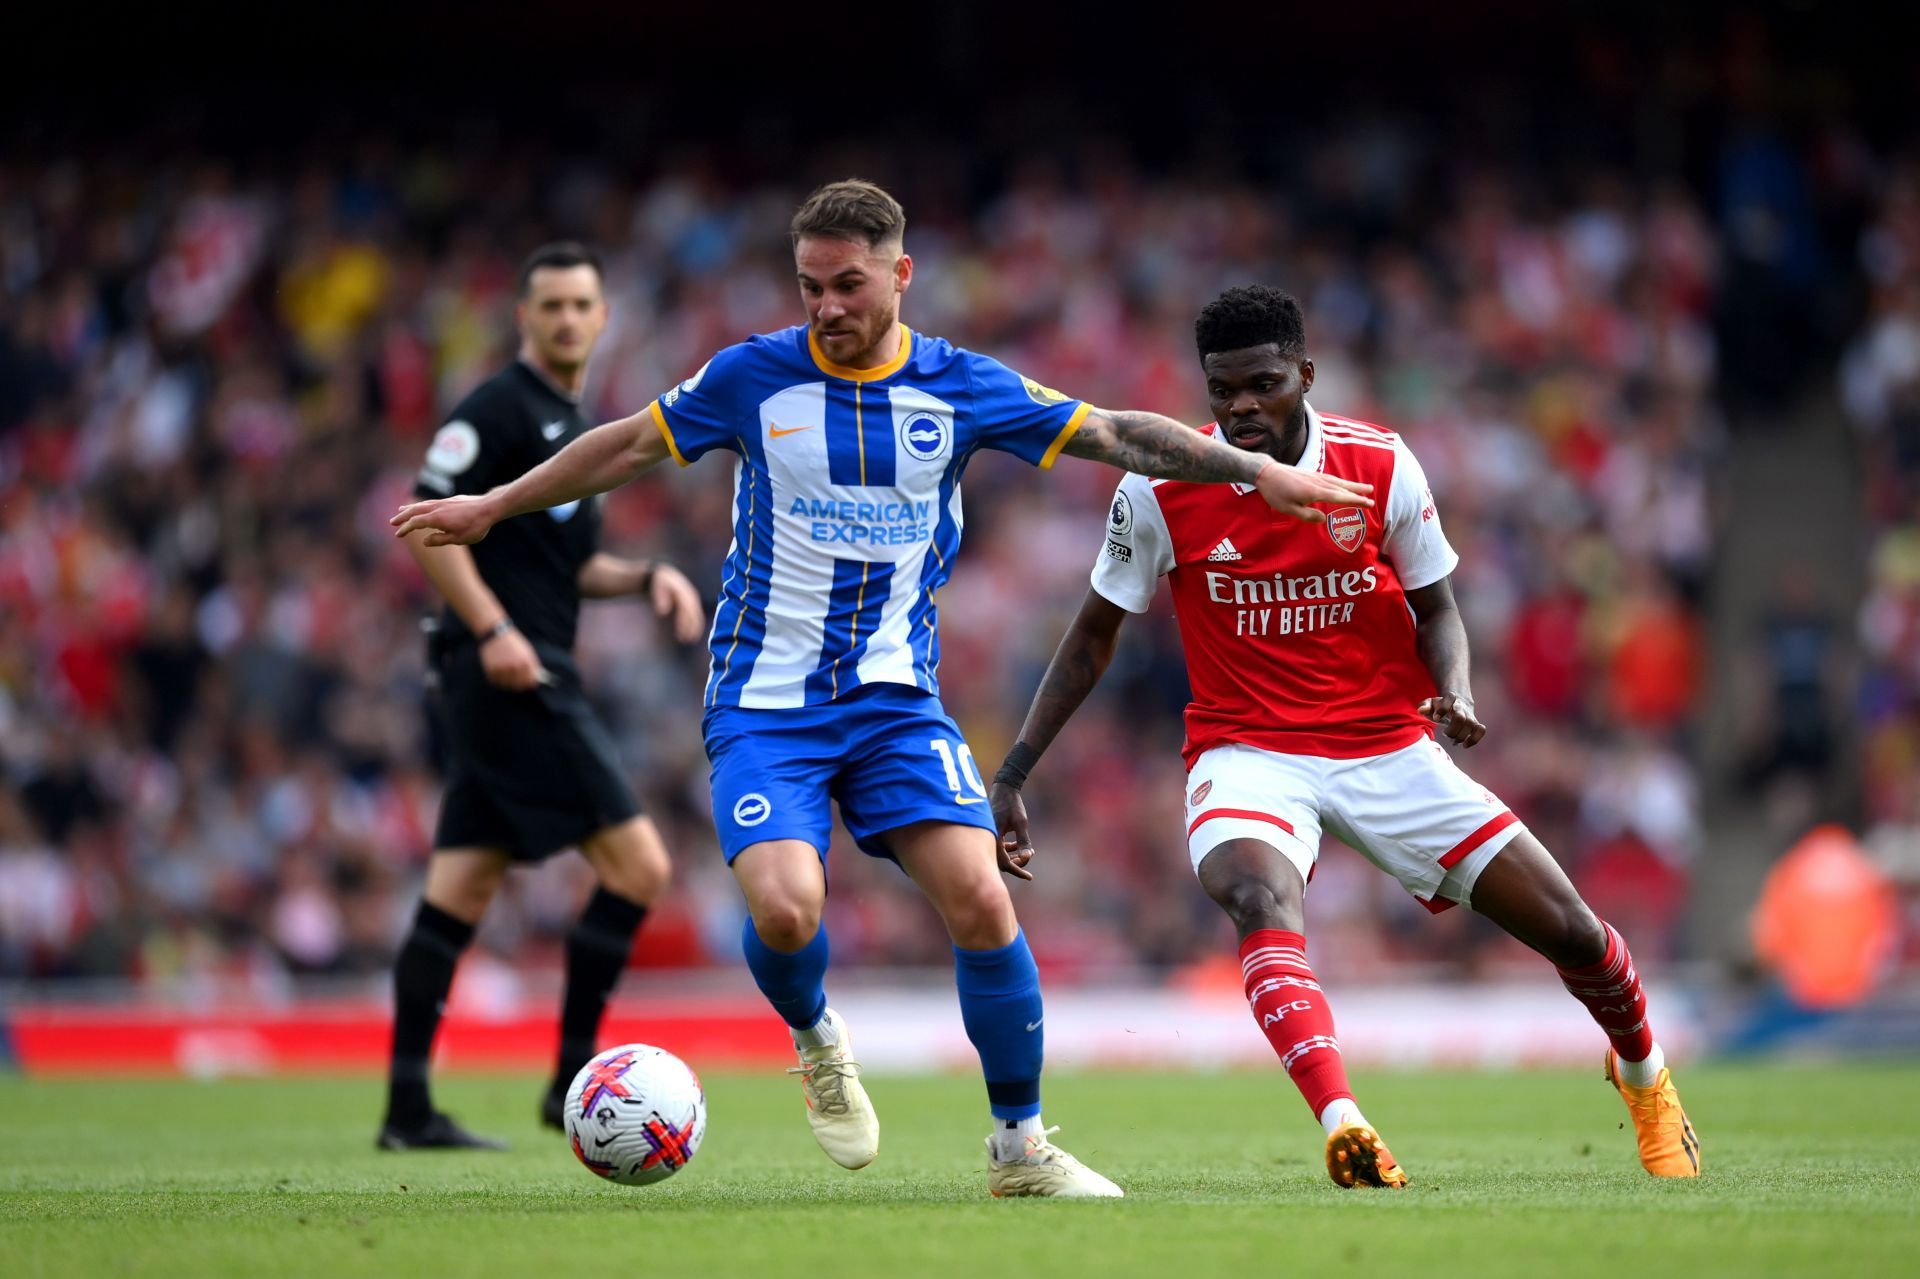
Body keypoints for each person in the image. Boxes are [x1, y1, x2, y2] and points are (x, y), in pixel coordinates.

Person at [391, 182, 1372, 1197]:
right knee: (783, 908)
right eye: (810, 285)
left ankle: (1020, 1147)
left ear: (900, 275)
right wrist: (497, 506)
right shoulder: (752, 378)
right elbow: (631, 443)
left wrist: (1257, 475)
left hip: (896, 703)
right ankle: (817, 1037)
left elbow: (1118, 434)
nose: (827, 305)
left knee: (983, 897)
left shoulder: (959, 385)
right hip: (766, 701)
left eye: (849, 284)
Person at [991, 285, 1701, 1188]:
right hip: (1245, 750)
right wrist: (1013, 770)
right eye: (1223, 390)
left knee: (1570, 930)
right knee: (1255, 895)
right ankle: (1346, 1123)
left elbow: (1437, 606)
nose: (1242, 406)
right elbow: (1093, 636)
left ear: (1306, 375)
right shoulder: (1161, 486)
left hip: (1385, 746)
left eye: (1262, 383)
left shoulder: (1379, 463)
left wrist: (1455, 686)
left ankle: (1644, 1075)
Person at [378, 242, 707, 1151]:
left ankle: (407, 1107)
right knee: (640, 869)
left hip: (513, 666)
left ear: (602, 319)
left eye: (581, 305)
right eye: (550, 305)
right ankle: (570, 1075)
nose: (566, 320)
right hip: (508, 675)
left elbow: (567, 569)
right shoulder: (496, 410)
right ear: (524, 318)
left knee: (461, 884)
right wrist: (492, 630)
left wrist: (644, 577)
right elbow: (425, 524)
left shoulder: (572, 422)